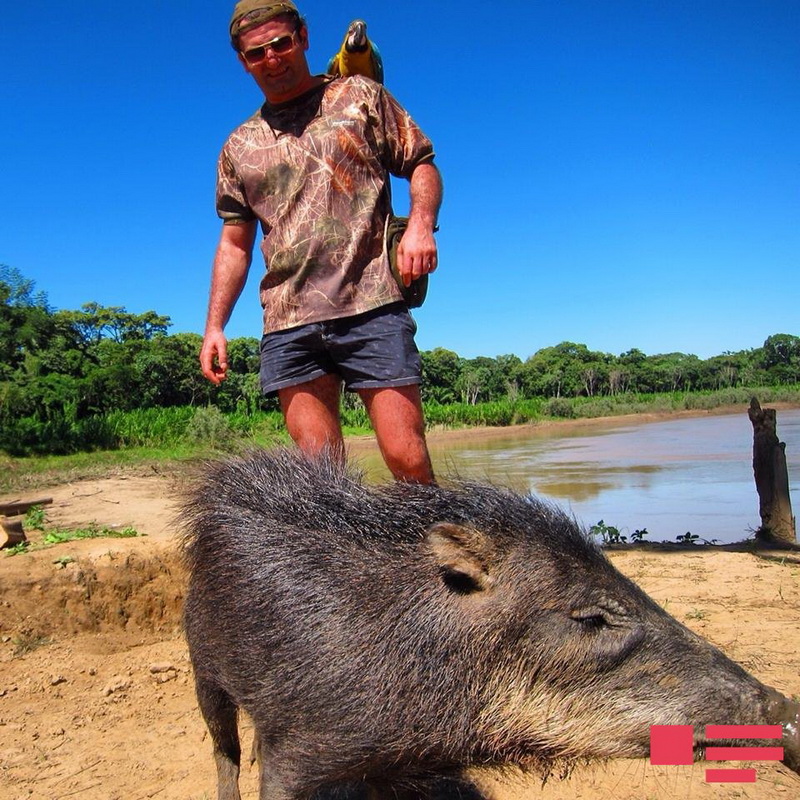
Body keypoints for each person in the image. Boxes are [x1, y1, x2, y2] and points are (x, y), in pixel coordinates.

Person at [200, 0, 442, 484]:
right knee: (320, 482)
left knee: (408, 460)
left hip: (372, 304)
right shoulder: (238, 145)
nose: (271, 58)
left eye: (281, 43)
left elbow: (421, 161)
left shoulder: (360, 96)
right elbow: (234, 244)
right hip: (289, 322)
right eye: (256, 53)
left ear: (304, 38)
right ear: (242, 61)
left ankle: (439, 560)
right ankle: (346, 564)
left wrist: (420, 225)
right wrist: (215, 327)